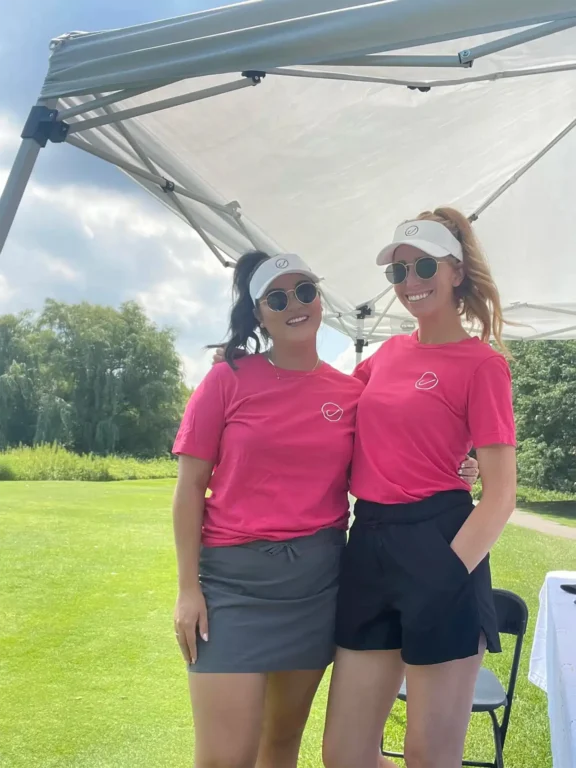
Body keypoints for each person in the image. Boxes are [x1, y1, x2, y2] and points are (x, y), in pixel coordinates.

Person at [171, 249, 479, 768]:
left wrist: (460, 467)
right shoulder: (226, 380)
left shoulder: (351, 390)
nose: (295, 304)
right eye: (278, 297)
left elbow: (397, 447)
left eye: (305, 291)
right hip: (231, 588)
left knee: (281, 745)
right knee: (224, 758)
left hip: (317, 586)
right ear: (259, 314)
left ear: (319, 299)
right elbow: (188, 490)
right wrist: (186, 588)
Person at [322, 208, 517, 768]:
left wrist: (444, 573)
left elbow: (501, 495)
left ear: (456, 271)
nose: (410, 282)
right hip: (370, 542)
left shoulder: (482, 365)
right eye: (398, 271)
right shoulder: (386, 355)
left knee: (429, 755)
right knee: (345, 754)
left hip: (442, 544)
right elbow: (327, 410)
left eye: (424, 265)